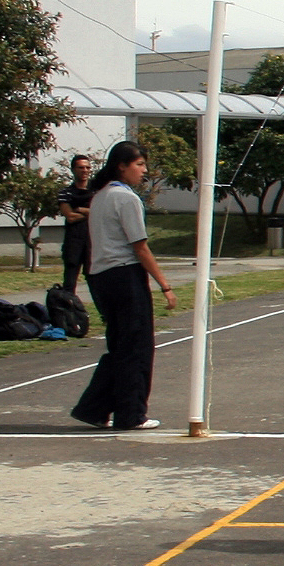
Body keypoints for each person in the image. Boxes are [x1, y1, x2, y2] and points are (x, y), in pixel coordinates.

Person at [70, 143, 177, 431]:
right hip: (124, 275)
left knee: (119, 346)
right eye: (139, 164)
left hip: (102, 277)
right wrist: (165, 286)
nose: (143, 171)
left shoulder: (100, 197)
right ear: (122, 165)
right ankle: (131, 413)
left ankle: (93, 408)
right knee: (136, 347)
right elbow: (140, 248)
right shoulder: (125, 199)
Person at [56, 154, 96, 291]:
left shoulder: (97, 191)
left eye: (87, 167)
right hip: (73, 242)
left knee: (94, 279)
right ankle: (68, 310)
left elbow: (101, 213)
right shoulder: (65, 193)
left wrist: (80, 209)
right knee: (70, 280)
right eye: (80, 167)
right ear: (73, 169)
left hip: (93, 241)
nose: (84, 170)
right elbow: (70, 217)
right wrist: (90, 212)